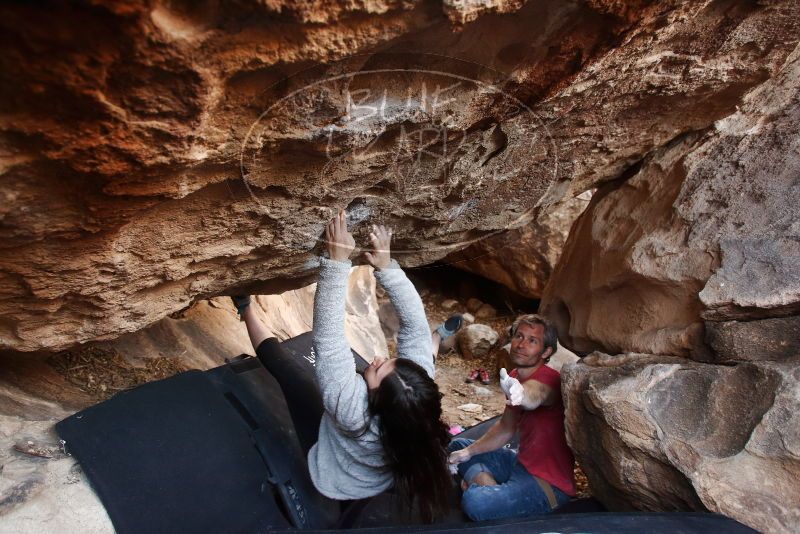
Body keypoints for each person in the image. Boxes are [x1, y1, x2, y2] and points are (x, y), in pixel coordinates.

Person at [234, 210, 452, 523]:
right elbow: (416, 327)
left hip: (340, 473)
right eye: (389, 361)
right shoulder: (415, 391)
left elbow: (329, 340)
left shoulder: (351, 410)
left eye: (378, 370)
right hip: (381, 460)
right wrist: (387, 266)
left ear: (374, 398)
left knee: (285, 369)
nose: (377, 359)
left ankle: (245, 309)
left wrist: (336, 262)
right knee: (421, 349)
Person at [447, 314, 576, 521]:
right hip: (520, 463)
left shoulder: (550, 380)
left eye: (532, 341)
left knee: (475, 503)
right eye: (519, 336)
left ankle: (483, 489)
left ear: (546, 351)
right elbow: (506, 428)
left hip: (546, 485)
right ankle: (487, 484)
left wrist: (520, 393)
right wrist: (468, 452)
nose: (521, 345)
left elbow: (536, 394)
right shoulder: (514, 376)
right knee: (458, 446)